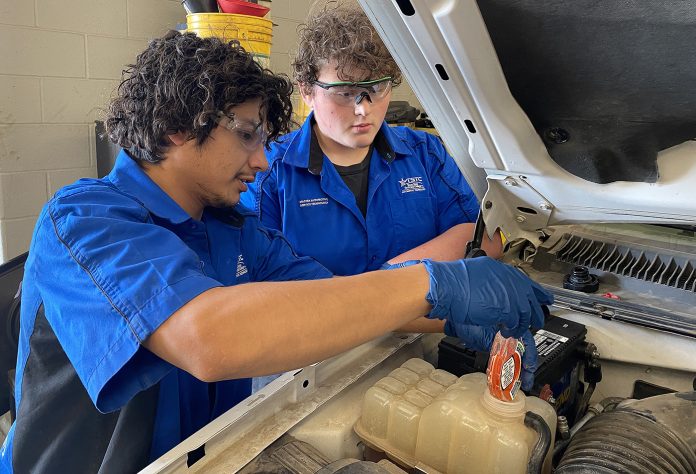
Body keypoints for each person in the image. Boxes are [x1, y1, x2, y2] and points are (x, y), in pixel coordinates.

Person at [0, 31, 551, 473]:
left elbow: (331, 303)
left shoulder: (236, 230)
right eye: (246, 135)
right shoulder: (86, 220)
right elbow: (208, 339)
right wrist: (437, 282)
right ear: (173, 127)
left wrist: (458, 315)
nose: (264, 161)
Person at [240, 2, 502, 338]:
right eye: (345, 93)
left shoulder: (424, 153)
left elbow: (482, 238)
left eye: (375, 89)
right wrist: (390, 293)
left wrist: (382, 281)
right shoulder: (269, 176)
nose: (363, 109)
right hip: (314, 356)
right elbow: (268, 293)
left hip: (419, 341)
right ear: (307, 89)